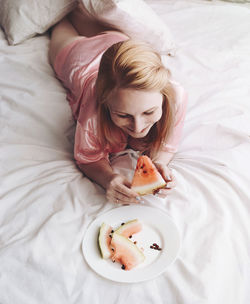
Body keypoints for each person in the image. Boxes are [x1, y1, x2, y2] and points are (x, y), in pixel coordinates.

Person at [49, 7, 188, 205]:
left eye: (148, 112)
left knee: (82, 10)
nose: (138, 127)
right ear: (105, 102)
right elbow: (88, 158)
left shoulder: (177, 97)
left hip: (119, 43)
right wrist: (109, 178)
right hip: (79, 57)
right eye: (123, 115)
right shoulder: (93, 111)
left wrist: (158, 164)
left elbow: (167, 147)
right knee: (62, 19)